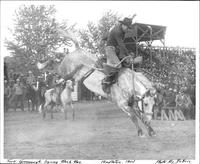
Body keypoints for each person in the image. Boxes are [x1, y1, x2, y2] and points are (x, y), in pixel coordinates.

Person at [101, 15, 140, 93]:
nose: (127, 29)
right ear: (123, 25)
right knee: (118, 66)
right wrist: (128, 55)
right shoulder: (117, 32)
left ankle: (115, 81)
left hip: (116, 49)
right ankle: (106, 81)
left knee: (125, 63)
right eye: (126, 27)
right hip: (110, 49)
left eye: (128, 27)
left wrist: (132, 17)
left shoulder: (122, 29)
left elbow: (121, 45)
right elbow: (121, 44)